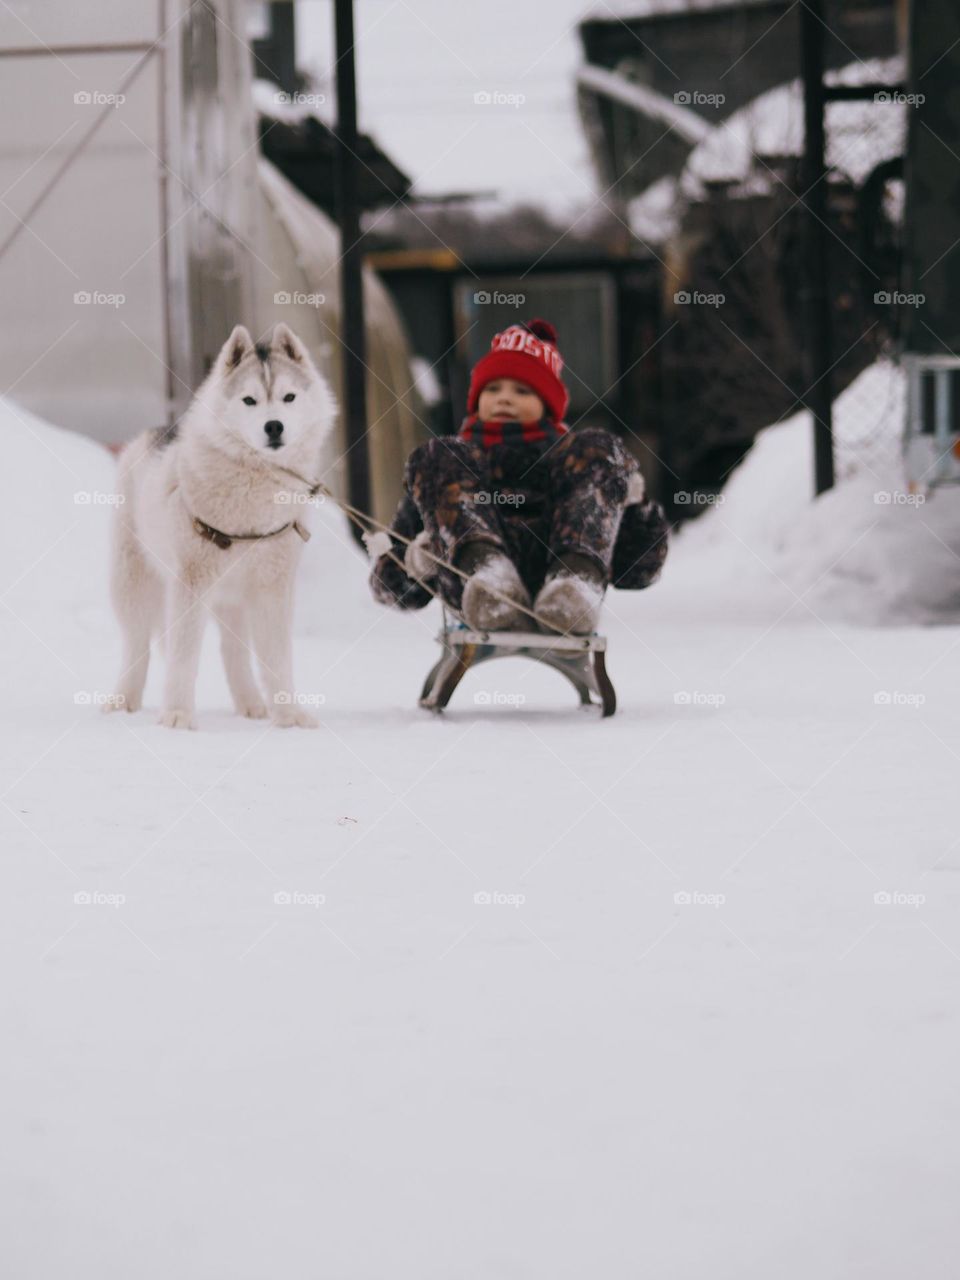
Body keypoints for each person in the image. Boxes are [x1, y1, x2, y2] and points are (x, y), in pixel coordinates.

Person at [369, 318, 668, 633]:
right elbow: (388, 588)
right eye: (493, 388)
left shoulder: (576, 465)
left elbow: (637, 572)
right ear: (476, 399)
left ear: (546, 404)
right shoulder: (446, 471)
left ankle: (575, 582)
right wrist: (416, 566)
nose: (504, 398)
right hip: (474, 591)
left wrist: (637, 510)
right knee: (436, 452)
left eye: (522, 391)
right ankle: (488, 572)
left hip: (559, 585)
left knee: (600, 447)